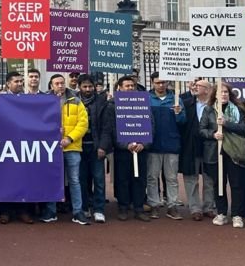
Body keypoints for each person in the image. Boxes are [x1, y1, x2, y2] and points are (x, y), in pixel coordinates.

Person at [200, 81, 245, 228]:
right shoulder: (209, 109)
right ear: (215, 95)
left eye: (226, 92)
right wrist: (213, 134)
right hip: (215, 152)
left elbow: (244, 128)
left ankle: (236, 215)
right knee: (219, 184)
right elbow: (201, 130)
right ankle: (221, 212)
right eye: (220, 92)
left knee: (237, 184)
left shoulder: (238, 109)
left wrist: (226, 124)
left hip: (234, 152)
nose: (223, 94)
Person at [44, 74, 89, 225]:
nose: (60, 86)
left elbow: (83, 123)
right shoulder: (44, 101)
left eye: (62, 83)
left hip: (72, 147)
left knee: (74, 180)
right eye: (57, 83)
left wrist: (69, 138)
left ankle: (78, 212)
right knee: (52, 179)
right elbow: (39, 121)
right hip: (51, 148)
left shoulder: (76, 100)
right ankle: (51, 211)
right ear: (51, 86)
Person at [146, 73, 185, 220]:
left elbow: (183, 121)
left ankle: (172, 205)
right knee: (152, 177)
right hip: (153, 144)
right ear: (152, 83)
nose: (161, 85)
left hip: (171, 144)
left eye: (163, 82)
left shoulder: (176, 99)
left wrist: (178, 114)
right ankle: (154, 205)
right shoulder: (147, 99)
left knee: (171, 178)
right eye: (157, 83)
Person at [77, 74, 114, 223]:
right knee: (81, 179)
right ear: (79, 87)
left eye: (90, 86)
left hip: (96, 146)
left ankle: (99, 209)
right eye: (84, 86)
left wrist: (102, 147)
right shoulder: (73, 101)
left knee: (99, 180)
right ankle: (84, 207)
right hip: (78, 147)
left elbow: (107, 127)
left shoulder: (102, 102)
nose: (88, 89)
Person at [113, 75, 149, 222]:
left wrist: (143, 144)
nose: (130, 88)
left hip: (140, 150)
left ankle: (139, 208)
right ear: (120, 88)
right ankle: (123, 207)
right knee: (122, 179)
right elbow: (112, 129)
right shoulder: (114, 105)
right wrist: (125, 144)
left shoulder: (143, 103)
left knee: (139, 180)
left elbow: (150, 124)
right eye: (127, 86)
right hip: (123, 151)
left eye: (132, 86)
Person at [179, 78, 215, 220]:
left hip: (210, 144)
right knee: (191, 177)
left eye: (198, 86)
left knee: (209, 178)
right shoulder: (186, 103)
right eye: (194, 85)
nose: (195, 87)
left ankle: (209, 207)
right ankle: (195, 208)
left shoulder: (215, 105)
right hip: (191, 144)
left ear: (207, 90)